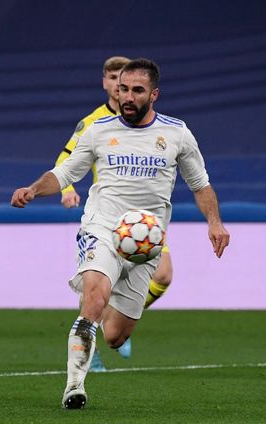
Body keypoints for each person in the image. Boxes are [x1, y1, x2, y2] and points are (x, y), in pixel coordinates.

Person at [11, 59, 230, 409]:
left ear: (154, 94)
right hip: (103, 227)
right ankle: (74, 387)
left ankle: (104, 322)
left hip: (146, 244)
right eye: (123, 89)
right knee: (94, 297)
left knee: (114, 336)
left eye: (137, 91)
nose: (127, 96)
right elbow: (65, 172)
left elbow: (200, 185)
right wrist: (35, 189)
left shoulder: (177, 134)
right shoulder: (98, 130)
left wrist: (215, 222)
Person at [54, 56, 174, 371]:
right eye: (112, 79)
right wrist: (67, 190)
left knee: (164, 275)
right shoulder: (93, 123)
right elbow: (66, 158)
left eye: (124, 81)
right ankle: (89, 346)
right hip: (108, 220)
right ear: (107, 83)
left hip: (145, 221)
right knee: (97, 283)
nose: (118, 87)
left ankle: (115, 316)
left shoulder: (155, 124)